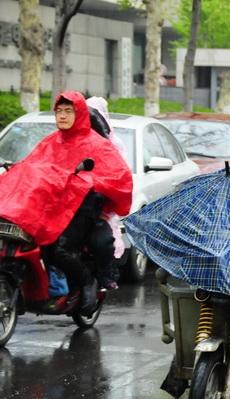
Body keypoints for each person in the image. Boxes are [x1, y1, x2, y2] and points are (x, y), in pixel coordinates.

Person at [0, 91, 132, 315]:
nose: (62, 116)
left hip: (81, 209)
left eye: (68, 111)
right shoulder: (50, 142)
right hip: (51, 206)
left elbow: (119, 176)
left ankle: (87, 282)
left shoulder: (99, 145)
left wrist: (88, 181)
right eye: (59, 111)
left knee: (60, 249)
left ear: (79, 113)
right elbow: (31, 167)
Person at [86, 96, 128, 290]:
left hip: (98, 205)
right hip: (68, 203)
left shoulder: (112, 146)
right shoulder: (68, 140)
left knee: (101, 240)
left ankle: (104, 275)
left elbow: (119, 174)